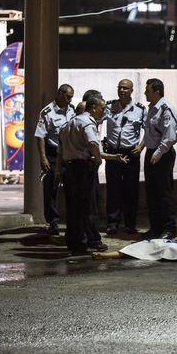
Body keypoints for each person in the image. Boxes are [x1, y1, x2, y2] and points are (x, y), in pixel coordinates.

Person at [56, 96, 112, 254]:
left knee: (73, 207)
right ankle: (87, 241)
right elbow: (93, 143)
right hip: (83, 168)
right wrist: (99, 159)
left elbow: (60, 152)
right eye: (102, 108)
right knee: (87, 206)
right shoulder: (87, 123)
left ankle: (74, 243)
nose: (103, 111)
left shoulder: (67, 125)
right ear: (93, 108)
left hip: (69, 169)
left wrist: (58, 172)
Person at [102, 79, 146, 235]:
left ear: (132, 90)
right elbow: (95, 121)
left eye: (125, 88)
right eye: (120, 87)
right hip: (113, 153)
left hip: (131, 154)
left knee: (131, 190)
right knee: (113, 189)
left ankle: (130, 224)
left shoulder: (140, 110)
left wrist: (141, 147)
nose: (122, 90)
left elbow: (148, 130)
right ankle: (112, 223)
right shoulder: (109, 106)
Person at [34, 84, 75, 235]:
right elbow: (40, 136)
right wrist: (43, 157)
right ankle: (53, 222)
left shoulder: (73, 110)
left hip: (69, 153)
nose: (70, 100)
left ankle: (72, 219)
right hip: (52, 153)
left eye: (71, 97)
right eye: (68, 96)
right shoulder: (47, 112)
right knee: (51, 189)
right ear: (59, 94)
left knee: (72, 187)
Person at [142, 78, 177, 239]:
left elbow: (169, 136)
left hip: (162, 154)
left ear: (157, 92)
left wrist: (158, 153)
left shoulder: (166, 109)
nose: (145, 93)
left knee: (164, 192)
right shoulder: (152, 108)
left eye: (148, 91)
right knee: (152, 192)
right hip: (152, 152)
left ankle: (169, 228)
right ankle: (155, 227)